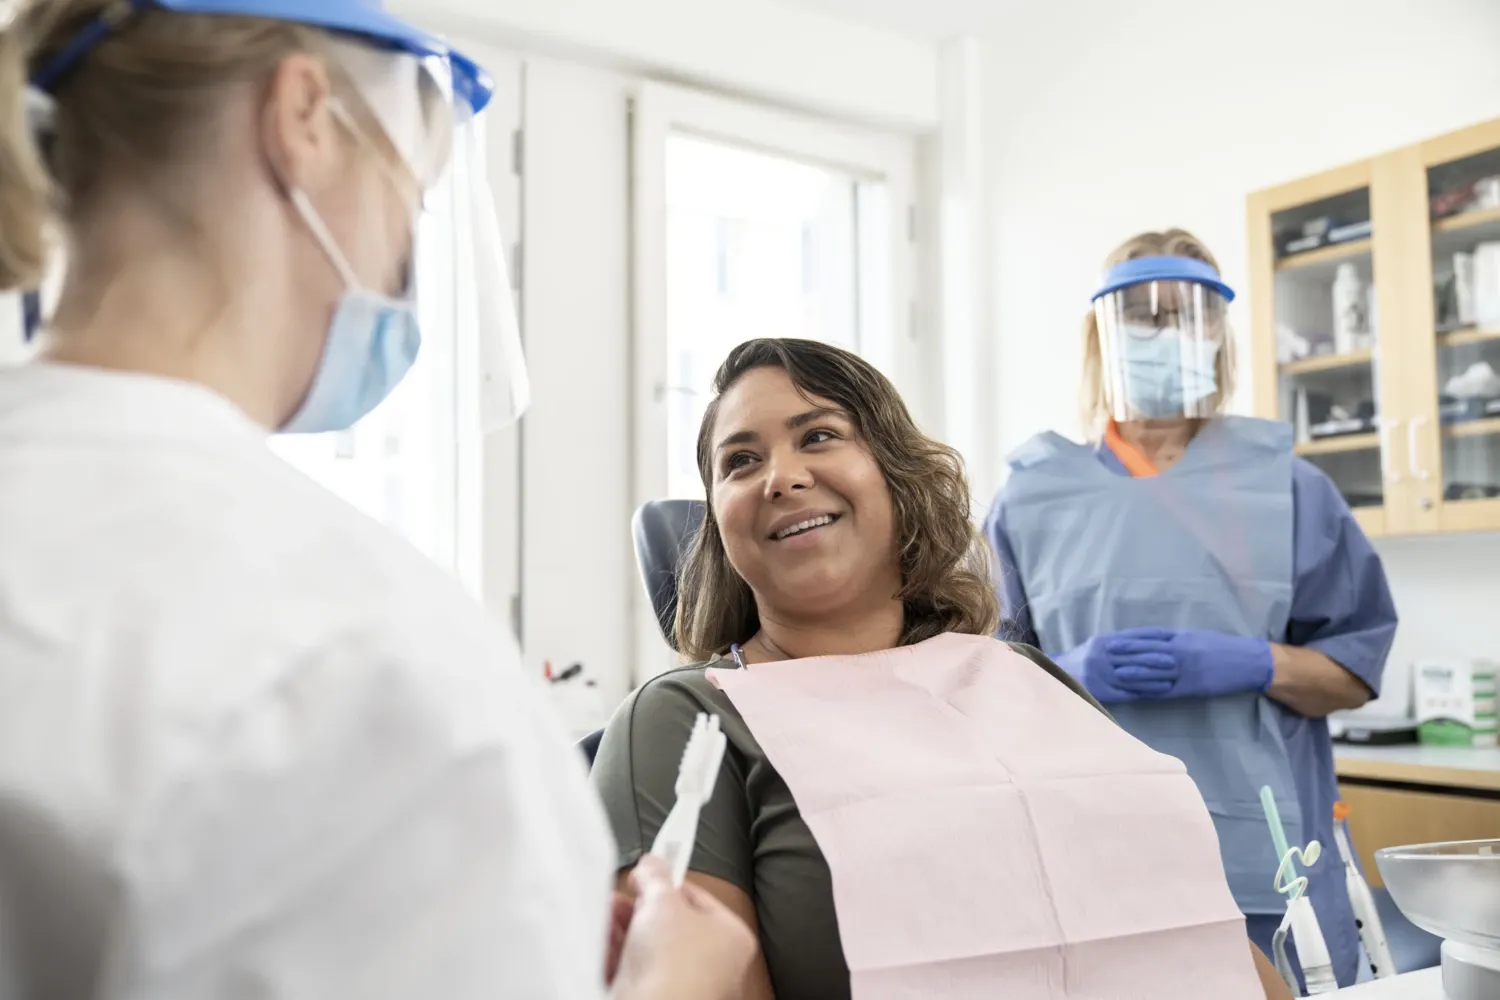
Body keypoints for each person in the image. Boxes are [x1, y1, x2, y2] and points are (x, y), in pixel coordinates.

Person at [0, 2, 752, 998]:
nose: (403, 253)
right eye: (412, 195)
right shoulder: (366, 649)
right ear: (302, 117)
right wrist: (675, 984)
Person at [591, 337, 1293, 1000]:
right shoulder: (690, 720)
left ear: (898, 477)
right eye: (741, 461)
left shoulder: (1024, 674)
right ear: (718, 525)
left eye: (820, 436)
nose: (782, 477)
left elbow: (1203, 928)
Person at [984, 228, 1398, 988]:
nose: (1167, 331)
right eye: (1143, 315)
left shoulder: (1287, 489)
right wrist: (1065, 676)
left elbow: (1352, 672)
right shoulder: (1031, 498)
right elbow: (982, 695)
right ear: (1102, 333)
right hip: (1090, 855)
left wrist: (1256, 663)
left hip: (1267, 860)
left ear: (1218, 333)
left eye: (1190, 313)